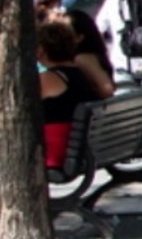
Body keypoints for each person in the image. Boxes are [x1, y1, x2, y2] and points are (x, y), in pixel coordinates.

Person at [38, 20, 108, 170]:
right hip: (76, 147)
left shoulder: (48, 79)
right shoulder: (78, 72)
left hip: (56, 152)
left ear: (41, 50)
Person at [62, 9, 118, 100]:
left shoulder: (82, 58)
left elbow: (107, 89)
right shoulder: (90, 55)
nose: (60, 34)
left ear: (79, 38)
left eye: (65, 31)